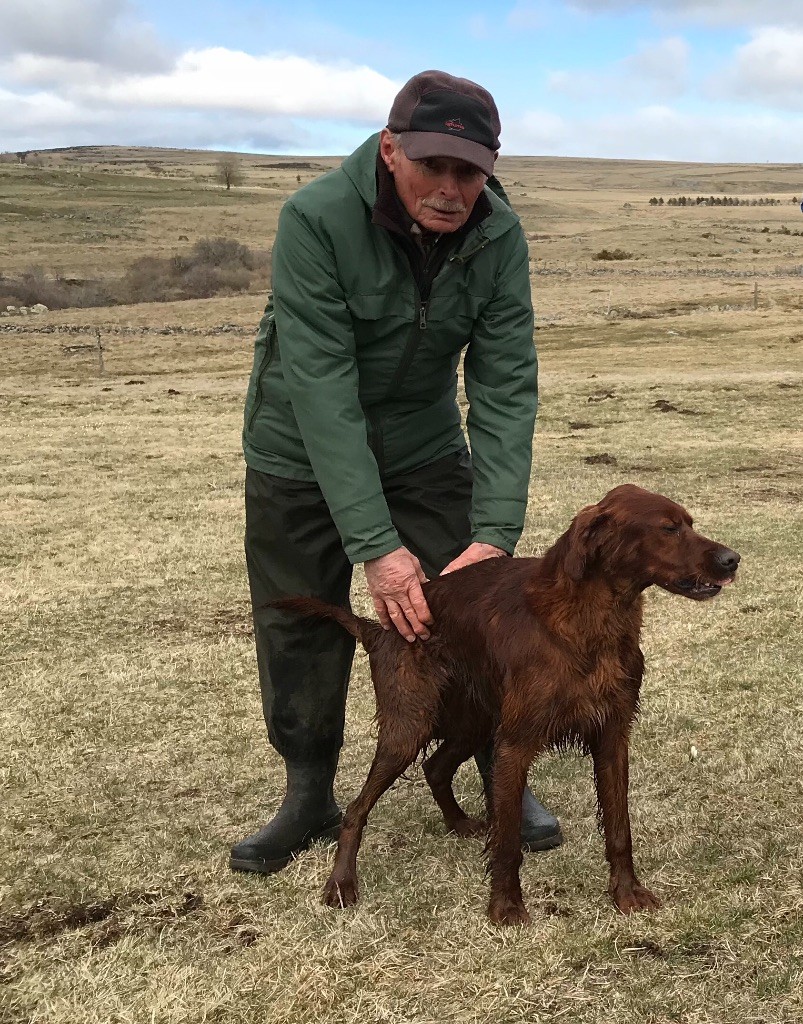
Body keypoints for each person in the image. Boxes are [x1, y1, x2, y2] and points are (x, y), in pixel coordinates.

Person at [231, 70, 562, 874]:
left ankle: (496, 771)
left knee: (478, 613)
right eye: (431, 166)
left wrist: (493, 533)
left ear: (490, 166)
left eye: (469, 171)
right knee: (298, 623)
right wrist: (377, 545)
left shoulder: (497, 235)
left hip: (421, 446)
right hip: (297, 450)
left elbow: (505, 380)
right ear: (390, 149)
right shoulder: (314, 218)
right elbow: (320, 384)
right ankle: (308, 790)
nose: (450, 190)